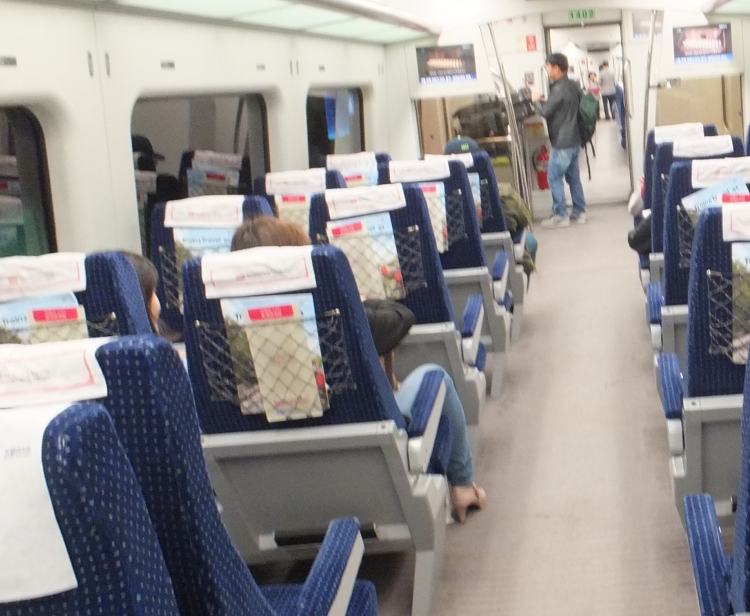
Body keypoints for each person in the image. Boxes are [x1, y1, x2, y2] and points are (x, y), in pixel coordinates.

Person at [229, 217, 487, 522]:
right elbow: (401, 317)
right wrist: (351, 297)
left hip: (269, 489)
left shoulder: (217, 339)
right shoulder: (334, 315)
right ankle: (463, 485)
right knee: (436, 376)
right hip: (360, 462)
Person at [535, 52, 587, 228]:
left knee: (554, 177)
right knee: (573, 178)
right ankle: (580, 212)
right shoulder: (572, 85)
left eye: (548, 67)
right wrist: (545, 100)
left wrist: (535, 100)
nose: (547, 70)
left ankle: (560, 215)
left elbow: (545, 112)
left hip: (562, 141)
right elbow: (561, 105)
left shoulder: (558, 88)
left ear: (556, 68)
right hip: (574, 139)